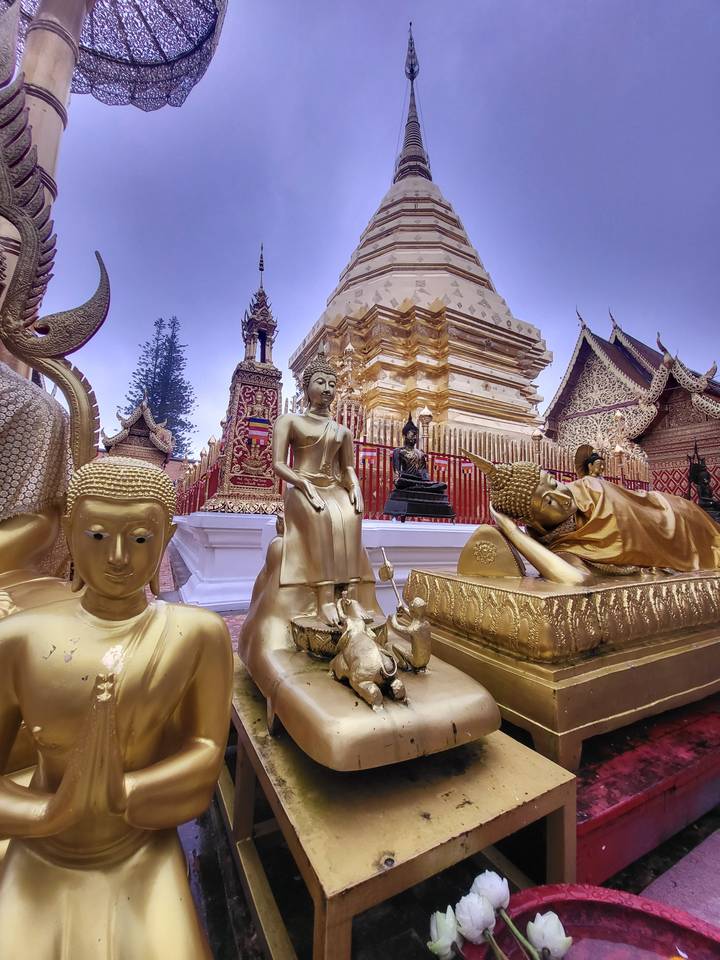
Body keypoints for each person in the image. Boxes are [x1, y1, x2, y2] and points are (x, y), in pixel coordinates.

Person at [0, 457, 232, 959]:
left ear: (167, 536)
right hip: (38, 845)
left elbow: (207, 751)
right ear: (68, 529)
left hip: (139, 846)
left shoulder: (198, 635)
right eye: (98, 535)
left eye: (142, 539)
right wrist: (47, 814)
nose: (120, 558)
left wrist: (122, 791)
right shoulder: (18, 639)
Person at [465, 452, 720, 585]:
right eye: (548, 503)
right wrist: (513, 533)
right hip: (678, 549)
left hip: (674, 511)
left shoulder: (587, 485)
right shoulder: (564, 547)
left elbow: (635, 503)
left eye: (554, 483)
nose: (562, 497)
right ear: (536, 522)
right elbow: (576, 580)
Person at [271, 352, 372, 624]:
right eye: (320, 382)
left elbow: (348, 468)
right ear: (306, 387)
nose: (327, 389)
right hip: (301, 487)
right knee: (322, 516)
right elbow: (279, 464)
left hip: (333, 487)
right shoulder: (290, 421)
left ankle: (351, 597)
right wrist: (302, 482)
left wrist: (355, 487)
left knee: (352, 515)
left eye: (331, 384)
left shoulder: (342, 431)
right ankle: (325, 598)